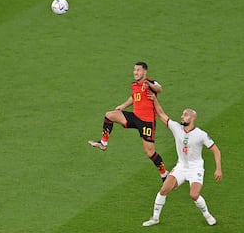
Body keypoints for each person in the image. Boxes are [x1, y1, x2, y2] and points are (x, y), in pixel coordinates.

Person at [142, 93, 223, 227]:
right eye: (182, 114)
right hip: (181, 166)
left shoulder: (200, 134)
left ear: (192, 118)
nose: (182, 116)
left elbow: (216, 150)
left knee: (194, 194)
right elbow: (162, 114)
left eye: (185, 115)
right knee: (164, 189)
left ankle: (207, 215)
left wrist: (218, 169)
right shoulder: (176, 128)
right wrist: (154, 99)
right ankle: (155, 218)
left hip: (195, 167)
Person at [88, 62, 168, 181]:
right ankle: (103, 143)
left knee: (150, 152)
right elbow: (134, 97)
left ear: (144, 72)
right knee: (109, 115)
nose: (135, 72)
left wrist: (150, 84)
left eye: (138, 70)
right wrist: (123, 106)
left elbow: (159, 89)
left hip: (146, 122)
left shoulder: (151, 82)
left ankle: (164, 174)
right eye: (134, 70)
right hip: (135, 117)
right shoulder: (134, 85)